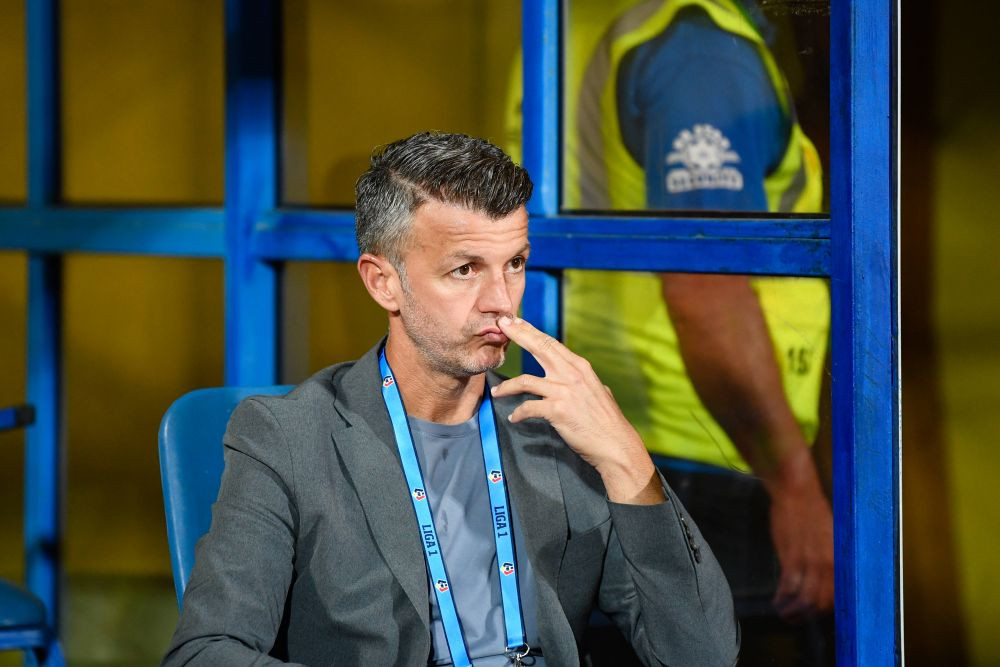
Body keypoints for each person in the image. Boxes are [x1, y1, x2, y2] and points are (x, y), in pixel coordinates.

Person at [162, 132, 738, 666]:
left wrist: (627, 459)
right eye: (465, 270)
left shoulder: (556, 429)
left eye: (515, 264)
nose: (500, 301)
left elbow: (703, 655)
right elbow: (205, 655)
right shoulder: (288, 439)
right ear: (383, 282)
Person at [509, 0, 833, 661]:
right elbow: (706, 292)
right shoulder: (699, 51)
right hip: (701, 459)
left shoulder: (569, 22)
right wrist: (794, 484)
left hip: (587, 441)